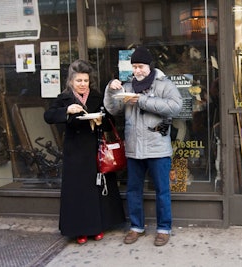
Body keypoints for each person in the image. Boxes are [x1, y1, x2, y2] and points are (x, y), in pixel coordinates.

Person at [104, 46, 182, 246]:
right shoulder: (128, 86)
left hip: (158, 147)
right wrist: (110, 90)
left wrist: (142, 100)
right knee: (133, 190)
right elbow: (113, 109)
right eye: (134, 67)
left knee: (162, 190)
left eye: (141, 67)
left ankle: (164, 229)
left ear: (150, 66)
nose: (137, 71)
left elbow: (175, 107)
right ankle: (136, 227)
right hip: (134, 148)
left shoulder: (164, 84)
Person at [44, 59, 126, 244]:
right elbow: (48, 116)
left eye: (85, 81)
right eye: (79, 81)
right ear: (71, 81)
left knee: (97, 189)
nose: (82, 84)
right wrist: (67, 110)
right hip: (75, 151)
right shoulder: (64, 98)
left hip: (96, 149)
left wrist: (99, 121)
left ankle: (98, 227)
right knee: (78, 192)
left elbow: (109, 120)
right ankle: (79, 230)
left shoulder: (96, 97)